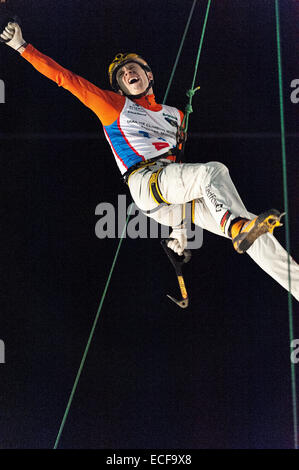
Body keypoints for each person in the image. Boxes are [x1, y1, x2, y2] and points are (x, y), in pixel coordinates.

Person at [1, 21, 298, 301]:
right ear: (119, 87)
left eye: (133, 68)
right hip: (145, 181)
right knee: (215, 173)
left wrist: (180, 232)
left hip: (173, 195)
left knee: (256, 231)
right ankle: (236, 227)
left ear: (149, 75)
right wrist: (21, 46)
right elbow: (66, 79)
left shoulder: (176, 115)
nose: (128, 72)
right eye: (122, 74)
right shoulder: (114, 105)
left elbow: (183, 173)